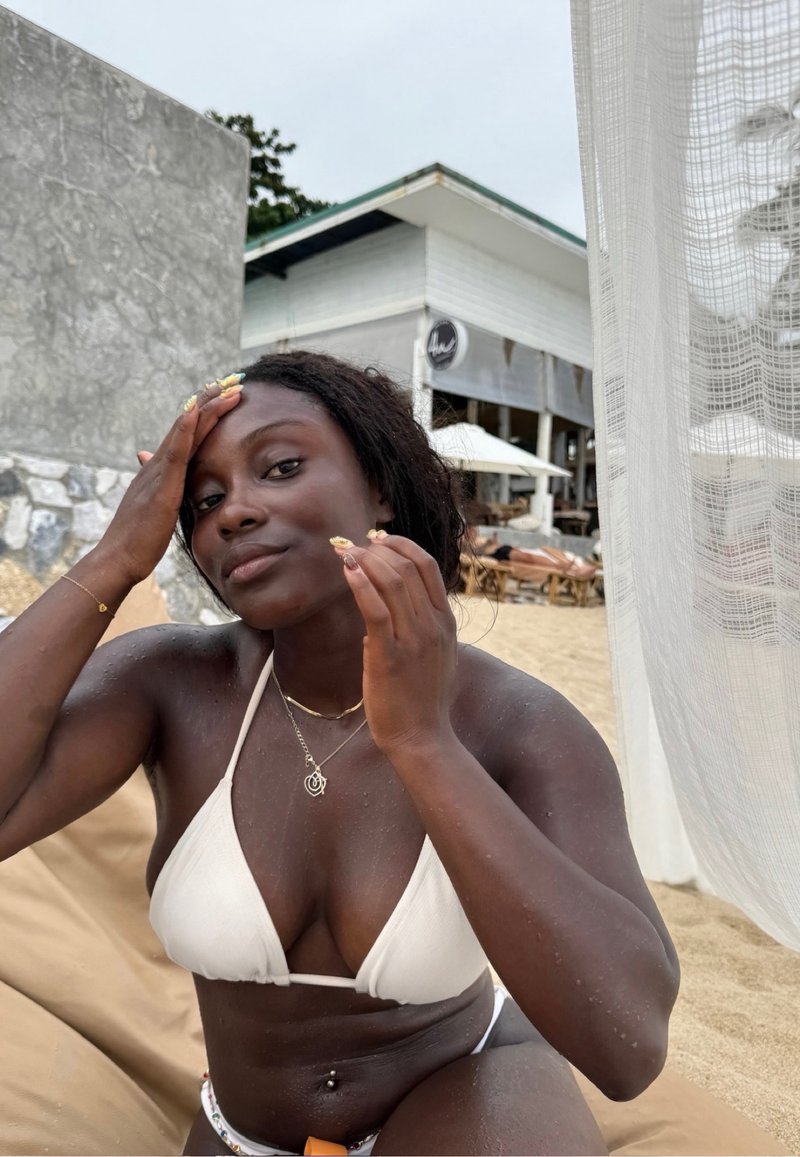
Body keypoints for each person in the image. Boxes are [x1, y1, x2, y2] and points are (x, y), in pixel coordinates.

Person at [0, 352, 679, 1156]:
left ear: (380, 488)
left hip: (470, 1100)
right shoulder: (172, 685)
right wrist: (115, 557)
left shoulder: (518, 722)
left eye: (281, 466)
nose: (235, 512)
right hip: (241, 1131)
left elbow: (628, 1045)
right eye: (204, 499)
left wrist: (424, 743)